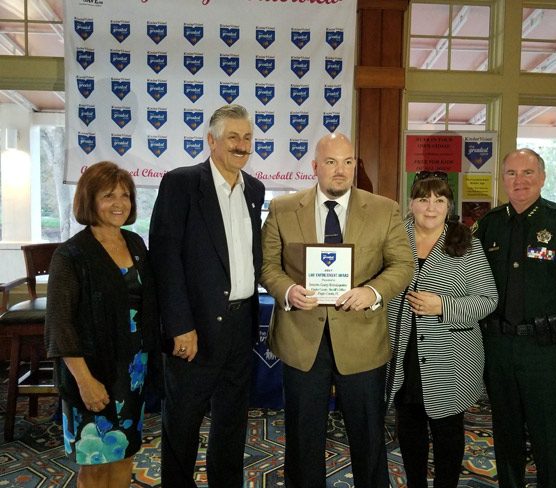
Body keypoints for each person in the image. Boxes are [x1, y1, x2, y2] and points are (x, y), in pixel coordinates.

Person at [261, 132, 414, 488]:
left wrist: (372, 292)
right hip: (301, 340)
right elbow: (268, 266)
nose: (340, 171)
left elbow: (403, 265)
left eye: (348, 162)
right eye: (331, 162)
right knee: (302, 437)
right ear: (315, 166)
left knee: (368, 436)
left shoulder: (383, 209)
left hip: (362, 339)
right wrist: (288, 291)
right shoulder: (284, 209)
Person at [472, 148, 556, 488]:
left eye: (527, 173)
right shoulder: (488, 226)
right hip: (500, 350)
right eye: (512, 174)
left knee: (553, 442)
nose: (519, 181)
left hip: (550, 352)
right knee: (506, 439)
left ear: (542, 178)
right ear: (502, 180)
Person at [148, 104, 265, 487]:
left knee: (232, 424)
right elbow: (165, 260)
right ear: (211, 141)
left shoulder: (255, 189)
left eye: (247, 137)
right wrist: (180, 326)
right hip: (194, 330)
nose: (241, 145)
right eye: (233, 136)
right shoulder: (181, 183)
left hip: (240, 325)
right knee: (182, 424)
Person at [44, 161, 160, 488]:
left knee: (123, 452)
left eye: (125, 195)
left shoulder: (135, 244)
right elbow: (59, 324)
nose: (119, 203)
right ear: (89, 200)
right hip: (91, 372)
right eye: (108, 195)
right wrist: (85, 381)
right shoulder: (71, 255)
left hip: (132, 373)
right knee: (94, 462)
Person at [385, 172, 498, 488]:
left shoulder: (464, 242)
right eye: (423, 199)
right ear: (411, 203)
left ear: (449, 206)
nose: (430, 207)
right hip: (403, 351)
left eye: (439, 200)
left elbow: (488, 299)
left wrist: (443, 306)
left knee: (447, 429)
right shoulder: (394, 236)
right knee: (409, 427)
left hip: (451, 357)